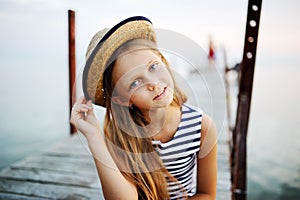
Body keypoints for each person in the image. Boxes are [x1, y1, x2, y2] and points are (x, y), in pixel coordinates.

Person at [71, 16, 217, 200]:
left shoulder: (201, 127)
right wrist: (94, 137)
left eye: (153, 66)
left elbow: (207, 194)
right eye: (135, 83)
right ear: (122, 99)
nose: (153, 84)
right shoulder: (122, 139)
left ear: (162, 60)